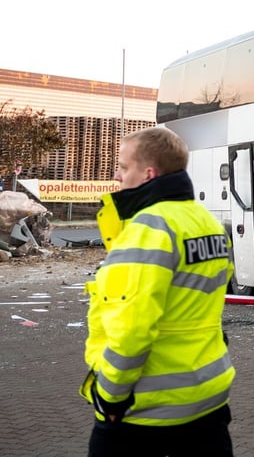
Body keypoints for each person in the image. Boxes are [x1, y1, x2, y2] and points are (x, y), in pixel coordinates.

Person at [81, 127, 235, 457]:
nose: (117, 176)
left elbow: (132, 330)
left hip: (145, 412)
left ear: (148, 173)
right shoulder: (205, 221)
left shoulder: (147, 229)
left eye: (123, 167)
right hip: (207, 399)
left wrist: (110, 395)